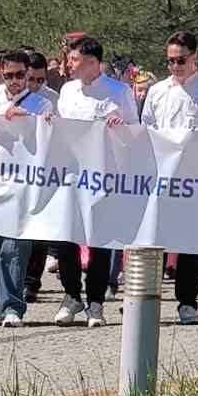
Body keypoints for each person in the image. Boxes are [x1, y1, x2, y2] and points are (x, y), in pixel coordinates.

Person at [140, 30, 198, 324]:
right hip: (160, 178)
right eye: (170, 61)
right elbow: (146, 130)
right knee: (153, 241)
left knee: (189, 244)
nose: (175, 66)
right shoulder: (157, 92)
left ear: (195, 58)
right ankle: (146, 300)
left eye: (181, 60)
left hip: (194, 179)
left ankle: (187, 302)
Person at [52, 36, 138, 327]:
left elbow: (135, 131)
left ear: (92, 62)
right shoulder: (67, 90)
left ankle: (96, 302)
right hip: (71, 174)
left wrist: (121, 127)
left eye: (74, 59)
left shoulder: (119, 92)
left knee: (99, 238)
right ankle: (71, 295)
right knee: (66, 236)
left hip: (103, 175)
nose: (68, 64)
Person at [0, 52, 54, 326]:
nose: (15, 81)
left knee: (14, 247)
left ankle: (12, 307)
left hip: (23, 187)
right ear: (0, 72)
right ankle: (4, 296)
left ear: (28, 73)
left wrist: (30, 119)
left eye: (20, 75)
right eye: (9, 75)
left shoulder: (41, 103)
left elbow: (53, 136)